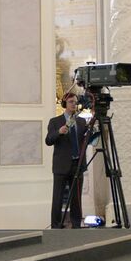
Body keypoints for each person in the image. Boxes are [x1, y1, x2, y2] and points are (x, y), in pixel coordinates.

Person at [46, 91, 89, 229]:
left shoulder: (82, 121)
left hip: (77, 164)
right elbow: (48, 140)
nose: (74, 105)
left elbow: (86, 140)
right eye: (71, 102)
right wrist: (59, 132)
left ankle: (76, 224)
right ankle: (56, 225)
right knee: (58, 197)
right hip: (61, 165)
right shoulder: (55, 121)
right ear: (65, 104)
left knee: (76, 198)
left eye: (75, 102)